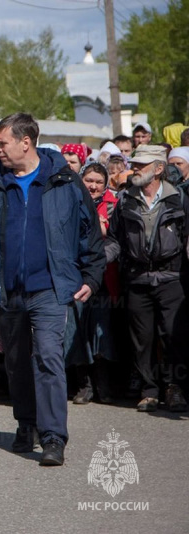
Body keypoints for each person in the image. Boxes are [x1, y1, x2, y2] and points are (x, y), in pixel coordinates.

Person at [0, 113, 105, 466]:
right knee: (16, 361)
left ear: (26, 142)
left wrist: (92, 276)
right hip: (7, 290)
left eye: (3, 143)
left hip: (51, 288)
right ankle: (26, 424)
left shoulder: (65, 182)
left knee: (49, 357)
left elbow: (90, 234)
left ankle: (53, 436)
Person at [104, 145, 189, 413]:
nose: (135, 169)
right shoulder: (126, 200)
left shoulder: (180, 199)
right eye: (135, 164)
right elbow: (115, 240)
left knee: (173, 337)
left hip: (171, 277)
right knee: (141, 339)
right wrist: (98, 259)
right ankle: (148, 390)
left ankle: (174, 388)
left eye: (141, 165)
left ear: (159, 169)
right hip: (137, 278)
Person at [65, 164, 119, 404]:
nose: (93, 186)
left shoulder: (113, 207)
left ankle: (103, 385)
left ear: (105, 184)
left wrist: (98, 260)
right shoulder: (70, 203)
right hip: (75, 276)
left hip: (104, 280)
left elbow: (117, 242)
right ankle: (83, 385)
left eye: (98, 181)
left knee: (101, 333)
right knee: (77, 332)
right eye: (89, 180)